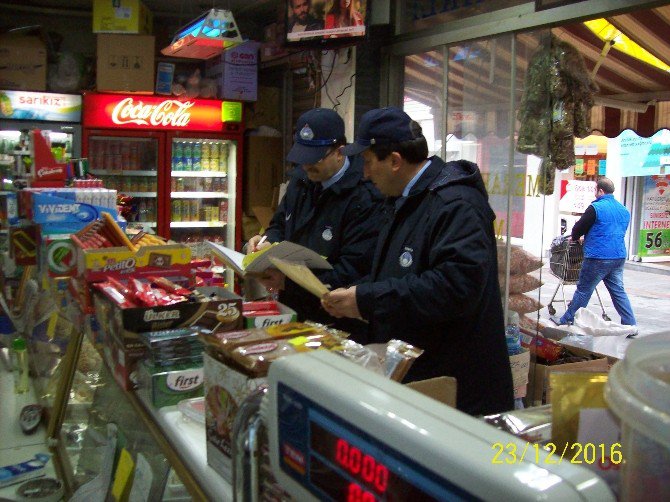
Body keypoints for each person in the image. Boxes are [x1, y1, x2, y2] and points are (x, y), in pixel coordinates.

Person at [321, 107, 514, 416]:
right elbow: (400, 272)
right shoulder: (406, 201)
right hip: (421, 382)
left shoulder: (455, 205)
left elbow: (454, 288)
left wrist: (367, 301)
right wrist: (357, 295)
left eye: (369, 163)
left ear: (395, 161)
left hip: (459, 394)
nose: (365, 174)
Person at [247, 108, 382, 342]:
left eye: (315, 158)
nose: (307, 166)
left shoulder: (365, 197)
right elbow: (279, 222)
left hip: (337, 320)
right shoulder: (301, 179)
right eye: (302, 157)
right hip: (294, 311)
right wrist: (266, 242)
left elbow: (355, 268)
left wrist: (288, 281)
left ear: (339, 152)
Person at [550, 177, 637, 329]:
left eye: (596, 190)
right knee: (618, 292)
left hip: (598, 256)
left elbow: (579, 227)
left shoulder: (596, 208)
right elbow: (613, 230)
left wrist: (576, 238)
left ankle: (567, 319)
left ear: (601, 191)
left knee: (583, 290)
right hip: (618, 256)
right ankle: (630, 324)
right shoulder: (624, 210)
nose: (595, 194)